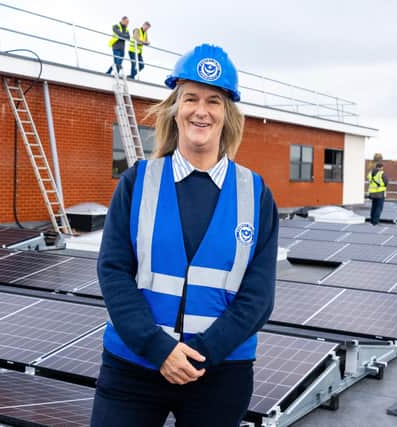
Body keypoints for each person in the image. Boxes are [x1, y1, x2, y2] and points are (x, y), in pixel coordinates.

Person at [92, 44, 278, 427]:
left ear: (227, 114)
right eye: (190, 97)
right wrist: (160, 350)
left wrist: (199, 354)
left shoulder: (256, 194)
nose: (201, 110)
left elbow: (258, 297)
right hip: (134, 365)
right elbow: (113, 272)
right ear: (175, 107)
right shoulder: (137, 183)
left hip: (220, 372)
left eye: (214, 100)